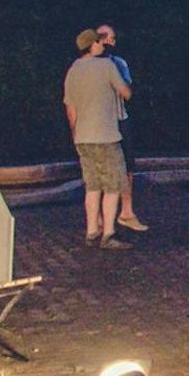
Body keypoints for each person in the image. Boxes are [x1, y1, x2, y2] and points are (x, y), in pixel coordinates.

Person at [64, 29, 133, 250]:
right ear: (93, 44)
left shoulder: (73, 70)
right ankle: (109, 233)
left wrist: (75, 133)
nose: (103, 45)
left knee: (92, 186)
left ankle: (92, 230)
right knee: (112, 186)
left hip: (83, 137)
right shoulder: (106, 66)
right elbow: (126, 93)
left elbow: (70, 108)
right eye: (100, 41)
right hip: (106, 135)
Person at [93, 22, 147, 233]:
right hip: (98, 122)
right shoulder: (86, 65)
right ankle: (98, 218)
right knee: (98, 169)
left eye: (112, 38)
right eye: (108, 38)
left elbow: (125, 91)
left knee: (126, 166)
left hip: (118, 118)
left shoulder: (118, 63)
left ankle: (126, 211)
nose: (111, 42)